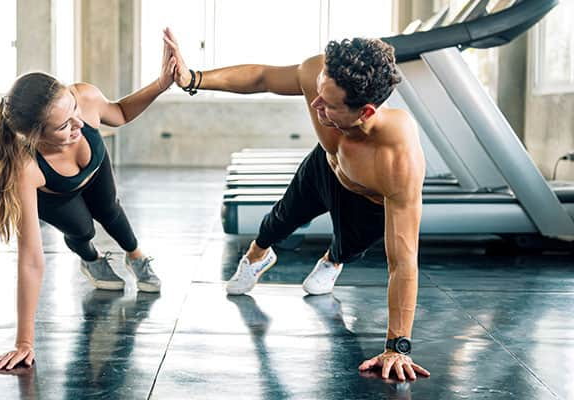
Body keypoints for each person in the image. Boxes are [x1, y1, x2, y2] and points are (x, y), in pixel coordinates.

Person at [163, 28, 430, 381]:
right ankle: (259, 255)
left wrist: (398, 346)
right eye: (318, 93)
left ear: (365, 111)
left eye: (329, 104)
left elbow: (403, 261)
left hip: (367, 200)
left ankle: (332, 260)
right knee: (278, 220)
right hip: (326, 164)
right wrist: (192, 78)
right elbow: (262, 78)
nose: (315, 105)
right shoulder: (319, 72)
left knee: (348, 248)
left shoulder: (397, 159)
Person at [0, 42, 178, 371]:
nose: (78, 124)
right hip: (56, 195)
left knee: (110, 211)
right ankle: (91, 260)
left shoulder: (84, 99)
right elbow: (31, 258)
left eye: (74, 109)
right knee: (83, 229)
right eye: (63, 126)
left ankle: (137, 257)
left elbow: (120, 113)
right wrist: (24, 342)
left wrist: (162, 83)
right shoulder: (25, 169)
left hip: (93, 167)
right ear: (33, 136)